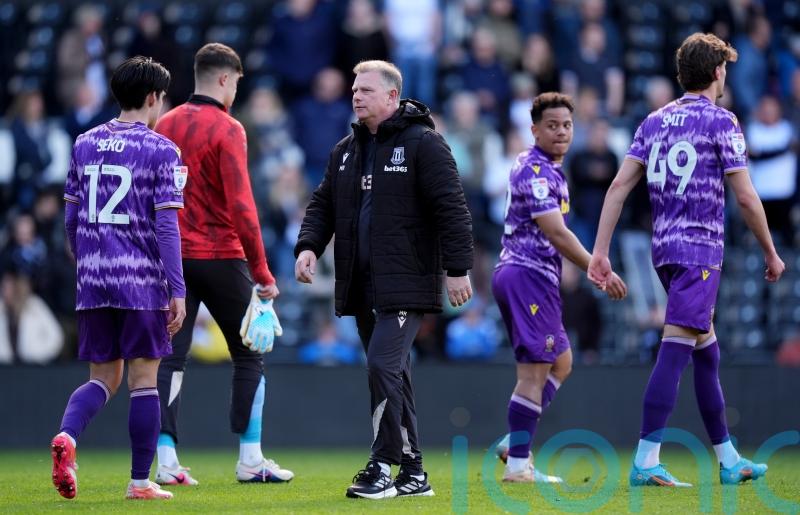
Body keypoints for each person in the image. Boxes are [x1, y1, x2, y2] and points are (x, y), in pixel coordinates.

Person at [588, 33, 785, 487]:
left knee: (706, 353)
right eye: (725, 69)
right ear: (717, 72)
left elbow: (618, 187)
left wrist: (600, 251)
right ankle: (646, 459)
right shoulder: (722, 121)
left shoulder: (653, 121)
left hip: (664, 250)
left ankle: (729, 459)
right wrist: (771, 252)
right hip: (699, 252)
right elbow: (745, 196)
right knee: (675, 352)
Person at [294, 60, 473, 499]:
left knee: (381, 365)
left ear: (392, 96)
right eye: (355, 89)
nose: (356, 96)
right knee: (395, 373)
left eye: (367, 90)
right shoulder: (346, 150)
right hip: (362, 282)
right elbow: (322, 205)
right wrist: (308, 246)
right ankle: (414, 473)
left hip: (407, 281)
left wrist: (457, 270)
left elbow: (452, 208)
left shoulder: (424, 144)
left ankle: (381, 465)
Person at [154, 43, 292, 485]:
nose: (235, 93)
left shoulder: (166, 123)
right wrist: (263, 273)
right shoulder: (228, 128)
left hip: (173, 257)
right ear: (225, 79)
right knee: (250, 352)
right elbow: (242, 207)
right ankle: (250, 460)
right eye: (235, 84)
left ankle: (166, 462)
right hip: (220, 254)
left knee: (170, 359)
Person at [50, 56, 186, 500]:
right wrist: (177, 288)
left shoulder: (84, 143)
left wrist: (86, 260)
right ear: (153, 97)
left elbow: (71, 218)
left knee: (102, 379)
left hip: (93, 280)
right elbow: (166, 226)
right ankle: (140, 482)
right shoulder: (162, 150)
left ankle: (67, 436)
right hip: (139, 280)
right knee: (143, 381)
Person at [491, 92, 626, 483]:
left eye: (567, 125)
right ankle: (518, 466)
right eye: (552, 125)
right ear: (535, 130)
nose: (561, 132)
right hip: (527, 275)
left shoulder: (547, 168)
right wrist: (596, 267)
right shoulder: (536, 171)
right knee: (533, 372)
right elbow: (556, 232)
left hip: (532, 277)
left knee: (561, 361)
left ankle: (514, 440)